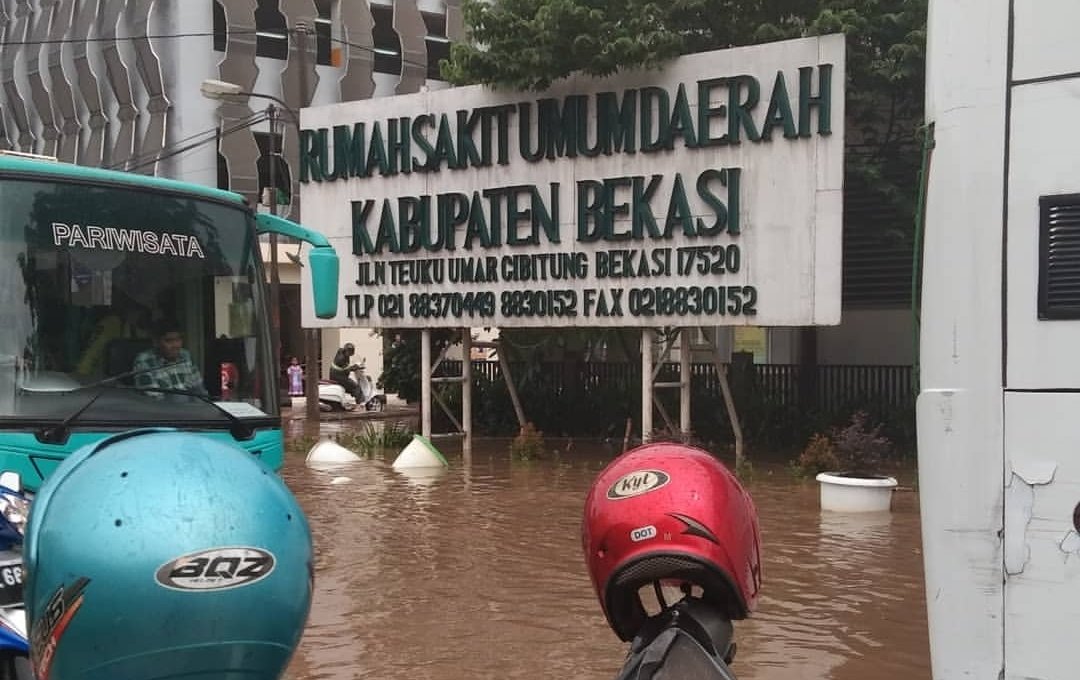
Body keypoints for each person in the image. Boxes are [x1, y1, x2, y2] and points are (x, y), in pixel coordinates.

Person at [132, 319, 207, 396]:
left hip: (193, 406)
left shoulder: (185, 355)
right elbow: (153, 400)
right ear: (156, 342)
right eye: (169, 341)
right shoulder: (144, 361)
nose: (175, 345)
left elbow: (200, 390)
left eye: (178, 339)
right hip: (166, 407)